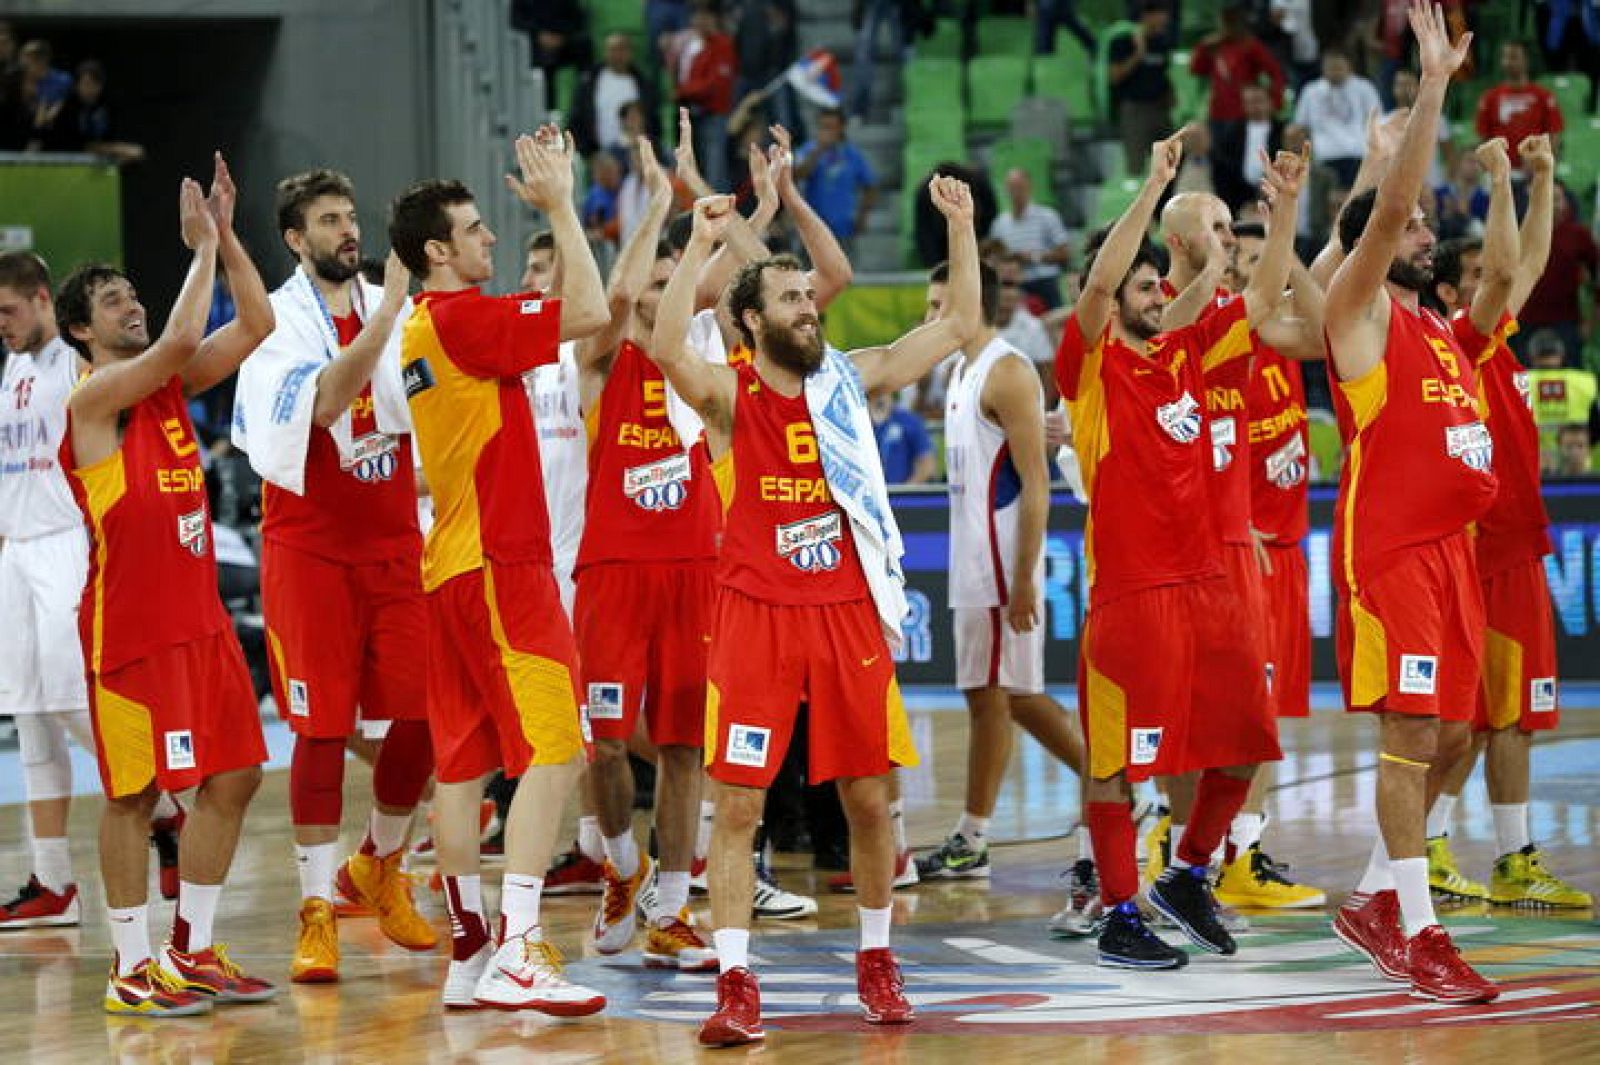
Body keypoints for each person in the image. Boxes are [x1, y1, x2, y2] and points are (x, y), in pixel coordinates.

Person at [649, 176, 982, 1046]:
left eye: (809, 295)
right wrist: (696, 244)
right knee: (738, 810)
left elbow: (952, 328)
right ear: (751, 319)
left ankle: (876, 959)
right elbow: (662, 346)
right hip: (755, 617)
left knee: (872, 802)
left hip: (845, 614)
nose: (809, 307)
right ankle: (735, 981)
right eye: (790, 298)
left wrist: (963, 228)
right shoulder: (726, 397)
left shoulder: (844, 381)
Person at [1056, 127, 1300, 970]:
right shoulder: (1090, 370)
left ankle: (1188, 872)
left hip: (1209, 585)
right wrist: (1154, 189)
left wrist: (1289, 207)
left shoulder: (1184, 352)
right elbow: (1095, 285)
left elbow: (1258, 299)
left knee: (1247, 744)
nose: (1160, 295)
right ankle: (1121, 911)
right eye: (1145, 287)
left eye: (1162, 285)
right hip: (1133, 593)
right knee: (1116, 764)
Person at [389, 128, 608, 1013]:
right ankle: (521, 948)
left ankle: (470, 952)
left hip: (448, 563)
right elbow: (590, 311)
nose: (491, 240)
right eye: (477, 229)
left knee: (464, 766)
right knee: (557, 748)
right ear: (437, 251)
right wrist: (561, 204)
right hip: (499, 564)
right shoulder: (464, 319)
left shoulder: (414, 327)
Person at [59, 156, 277, 1015]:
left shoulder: (168, 389)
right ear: (83, 331)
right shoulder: (94, 400)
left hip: (201, 623)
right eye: (110, 301)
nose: (128, 303)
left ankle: (192, 950)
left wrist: (225, 238)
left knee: (233, 779)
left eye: (129, 292)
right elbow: (181, 340)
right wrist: (197, 249)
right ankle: (128, 964)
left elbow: (254, 320)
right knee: (134, 793)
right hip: (131, 632)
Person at [1321, 1, 1499, 1005]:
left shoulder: (1434, 330)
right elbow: (1384, 212)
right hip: (1390, 555)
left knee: (1461, 735)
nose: (1425, 226)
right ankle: (1417, 932)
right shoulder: (1359, 308)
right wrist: (1431, 86)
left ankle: (1374, 897)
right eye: (1415, 219)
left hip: (1452, 553)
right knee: (1413, 734)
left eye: (1428, 220)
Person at [230, 168, 438, 984]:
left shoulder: (404, 311)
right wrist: (386, 311)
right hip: (309, 552)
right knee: (318, 730)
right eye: (329, 220)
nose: (348, 231)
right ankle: (316, 909)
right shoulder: (277, 322)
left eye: (352, 216)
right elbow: (322, 405)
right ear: (294, 238)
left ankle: (376, 865)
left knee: (424, 715)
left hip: (392, 543)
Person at [1421, 136, 1590, 909]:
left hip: (1515, 548)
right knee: (1481, 718)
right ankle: (1465, 850)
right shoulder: (1460, 343)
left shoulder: (1492, 344)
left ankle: (1474, 850)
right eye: (1479, 279)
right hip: (1487, 552)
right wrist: (1498, 179)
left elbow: (1526, 261)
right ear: (1455, 293)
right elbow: (1506, 266)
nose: (1501, 283)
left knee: (1502, 717)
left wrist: (1546, 175)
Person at [566, 138, 718, 970]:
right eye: (659, 287)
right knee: (607, 741)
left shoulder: (703, 368)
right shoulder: (602, 359)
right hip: (614, 572)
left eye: (677, 288)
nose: (664, 298)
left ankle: (672, 906)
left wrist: (733, 213)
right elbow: (618, 290)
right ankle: (622, 867)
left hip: (695, 570)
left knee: (688, 746)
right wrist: (662, 203)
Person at [917, 257, 1091, 913]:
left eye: (939, 306)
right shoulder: (962, 371)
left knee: (1016, 695)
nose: (930, 320)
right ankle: (973, 834)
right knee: (987, 698)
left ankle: (1122, 788)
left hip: (1000, 566)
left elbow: (1037, 484)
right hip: (972, 564)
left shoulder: (1009, 369)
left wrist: (1022, 578)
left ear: (969, 301)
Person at [0, 252, 96, 931]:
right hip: (18, 549)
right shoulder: (12, 369)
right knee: (29, 711)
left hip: (68, 540)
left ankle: (166, 810)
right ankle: (53, 880)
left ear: (40, 298)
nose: (0, 325)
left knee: (69, 701)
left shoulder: (73, 361)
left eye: (7, 311)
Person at [1189, 3, 1285, 164]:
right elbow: (1196, 69)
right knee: (1218, 157)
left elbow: (1276, 73)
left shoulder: (1251, 45)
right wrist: (1203, 47)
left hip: (1243, 113)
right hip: (1218, 111)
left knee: (1240, 158)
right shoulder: (1215, 45)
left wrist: (1274, 103)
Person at [1514, 183, 1597, 368]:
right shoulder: (1518, 235)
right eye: (1545, 198)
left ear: (1566, 203)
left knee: (1569, 383)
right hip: (1523, 324)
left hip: (1566, 323)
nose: (1552, 204)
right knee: (1522, 385)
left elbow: (1596, 283)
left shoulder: (1579, 235)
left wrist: (1591, 323)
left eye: (1557, 199)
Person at [1291, 47, 1383, 189]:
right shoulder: (1311, 91)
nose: (1334, 72)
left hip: (1357, 156)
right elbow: (1300, 127)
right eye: (1330, 68)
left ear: (1349, 67)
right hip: (1324, 158)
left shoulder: (1364, 88)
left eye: (1339, 67)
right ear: (1323, 68)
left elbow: (1378, 122)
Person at [675, 2, 738, 196]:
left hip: (716, 118)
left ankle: (723, 220)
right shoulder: (697, 47)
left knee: (715, 174)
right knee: (701, 173)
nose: (700, 21)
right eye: (697, 16)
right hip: (698, 117)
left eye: (706, 16)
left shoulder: (723, 45)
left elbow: (715, 85)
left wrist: (683, 91)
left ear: (715, 20)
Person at [1108, 1, 1177, 176]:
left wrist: (1170, 92)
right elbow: (1115, 76)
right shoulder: (1123, 41)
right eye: (1161, 14)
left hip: (1160, 108)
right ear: (1147, 16)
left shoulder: (1162, 42)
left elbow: (1161, 72)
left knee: (1170, 160)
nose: (1165, 19)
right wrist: (1138, 54)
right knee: (1136, 163)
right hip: (1135, 110)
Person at [794, 109, 876, 253]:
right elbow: (797, 175)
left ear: (841, 128)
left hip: (844, 229)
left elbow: (870, 185)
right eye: (823, 127)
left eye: (831, 127)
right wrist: (818, 150)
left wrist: (862, 216)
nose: (827, 131)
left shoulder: (852, 154)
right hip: (813, 228)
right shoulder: (808, 151)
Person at [989, 169, 1071, 310]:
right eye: (1012, 188)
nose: (1016, 192)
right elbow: (994, 256)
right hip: (1013, 285)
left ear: (1029, 187)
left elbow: (1064, 254)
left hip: (1045, 283)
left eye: (1019, 187)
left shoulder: (1047, 216)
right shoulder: (999, 224)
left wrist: (1032, 257)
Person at [1475, 42, 1564, 172]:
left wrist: (1543, 164)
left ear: (1527, 61)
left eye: (1514, 57)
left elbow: (1554, 136)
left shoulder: (1543, 97)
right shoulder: (1490, 97)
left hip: (1534, 169)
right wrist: (1491, 167)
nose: (1507, 62)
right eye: (1505, 57)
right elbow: (1483, 138)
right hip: (1500, 170)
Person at [570, 33, 662, 159]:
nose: (617, 55)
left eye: (622, 49)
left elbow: (652, 121)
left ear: (630, 52)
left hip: (635, 154)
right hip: (599, 156)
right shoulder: (589, 82)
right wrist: (585, 149)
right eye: (613, 49)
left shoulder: (643, 85)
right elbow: (578, 117)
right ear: (605, 52)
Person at [1214, 82, 1287, 215]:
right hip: (1239, 195)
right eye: (1249, 102)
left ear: (1270, 102)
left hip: (1275, 193)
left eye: (1258, 101)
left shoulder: (1282, 131)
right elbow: (1225, 166)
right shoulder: (1233, 132)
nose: (1254, 106)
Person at [870, 391, 935, 484]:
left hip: (902, 493)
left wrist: (906, 491)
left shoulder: (909, 421)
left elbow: (927, 463)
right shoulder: (859, 421)